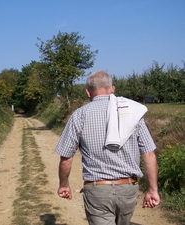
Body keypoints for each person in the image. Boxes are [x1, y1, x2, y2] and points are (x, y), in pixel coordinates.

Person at [55, 71, 160, 225]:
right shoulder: (132, 113)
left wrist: (64, 185)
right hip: (128, 190)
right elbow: (149, 154)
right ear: (112, 89)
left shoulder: (79, 115)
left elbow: (66, 158)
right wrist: (152, 190)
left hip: (97, 192)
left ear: (88, 92)